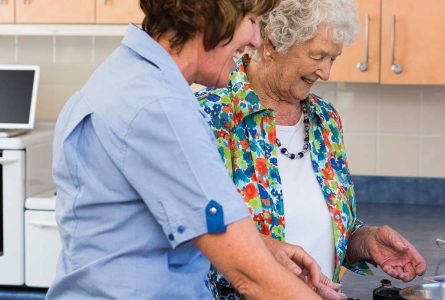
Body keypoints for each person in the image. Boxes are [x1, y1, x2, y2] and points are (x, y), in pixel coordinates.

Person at [46, 1, 325, 299]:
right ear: (213, 14)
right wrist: (253, 259)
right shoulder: (159, 107)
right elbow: (249, 275)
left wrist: (261, 247)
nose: (257, 40)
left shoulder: (121, 76)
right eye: (252, 20)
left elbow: (137, 228)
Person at [196, 0, 427, 298]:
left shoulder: (325, 119)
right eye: (318, 56)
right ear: (273, 43)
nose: (327, 73)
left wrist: (365, 241)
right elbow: (195, 236)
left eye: (334, 58)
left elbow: (322, 227)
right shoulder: (212, 116)